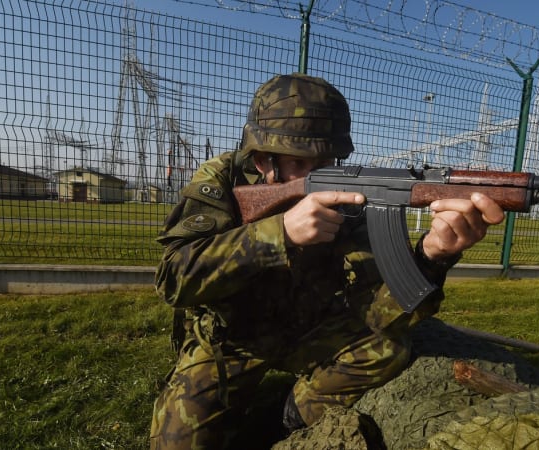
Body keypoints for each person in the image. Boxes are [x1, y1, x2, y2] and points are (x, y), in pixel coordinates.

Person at [149, 72, 505, 449]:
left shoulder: (354, 195)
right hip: (233, 338)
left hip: (309, 328)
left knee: (387, 349)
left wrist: (432, 257)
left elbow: (377, 314)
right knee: (177, 443)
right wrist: (278, 232)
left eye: (327, 161)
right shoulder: (221, 181)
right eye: (300, 163)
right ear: (263, 158)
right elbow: (173, 278)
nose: (318, 175)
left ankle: (289, 416)